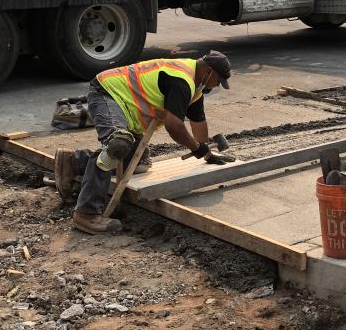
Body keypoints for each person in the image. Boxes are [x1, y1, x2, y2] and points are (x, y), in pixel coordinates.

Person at [55, 52, 234, 234]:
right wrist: (196, 149)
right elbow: (174, 126)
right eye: (218, 80)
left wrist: (207, 153)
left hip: (127, 107)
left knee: (138, 162)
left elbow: (199, 124)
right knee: (118, 145)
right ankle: (86, 212)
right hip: (108, 93)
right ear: (209, 72)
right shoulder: (181, 80)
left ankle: (73, 161)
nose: (218, 85)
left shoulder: (194, 89)